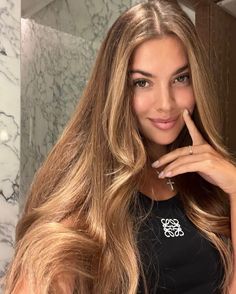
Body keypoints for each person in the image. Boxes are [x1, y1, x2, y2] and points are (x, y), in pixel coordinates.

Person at [3, 0, 236, 293]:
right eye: (142, 83)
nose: (166, 104)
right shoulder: (83, 208)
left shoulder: (206, 187)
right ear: (115, 89)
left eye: (180, 78)